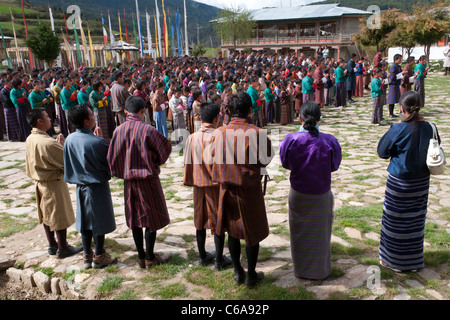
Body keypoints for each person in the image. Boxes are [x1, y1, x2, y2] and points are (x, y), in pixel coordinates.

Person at [211, 92, 274, 289]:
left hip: (226, 189)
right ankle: (251, 274)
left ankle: (238, 271)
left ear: (229, 111)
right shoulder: (257, 133)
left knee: (232, 231)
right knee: (251, 232)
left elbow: (213, 156)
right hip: (248, 190)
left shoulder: (219, 132)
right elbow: (266, 159)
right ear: (249, 110)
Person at [377, 91, 440, 273]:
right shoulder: (430, 127)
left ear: (402, 109)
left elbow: (382, 152)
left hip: (399, 182)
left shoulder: (398, 129)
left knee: (394, 221)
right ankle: (413, 261)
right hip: (421, 183)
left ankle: (392, 260)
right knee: (415, 221)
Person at [107, 95, 172, 269]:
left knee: (134, 218)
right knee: (151, 217)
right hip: (147, 180)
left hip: (129, 182)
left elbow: (111, 158)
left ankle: (141, 257)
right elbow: (165, 149)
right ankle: (150, 257)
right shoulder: (148, 130)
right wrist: (155, 162)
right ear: (143, 111)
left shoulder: (117, 131)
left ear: (126, 111)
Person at [279, 101, 341, 280]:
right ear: (319, 119)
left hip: (299, 192)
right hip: (320, 193)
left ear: (299, 118)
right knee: (320, 233)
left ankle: (301, 270)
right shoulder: (329, 141)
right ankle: (319, 270)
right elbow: (334, 165)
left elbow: (285, 162)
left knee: (299, 232)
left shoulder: (291, 140)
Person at [64, 104, 117, 269]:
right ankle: (99, 256)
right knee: (98, 221)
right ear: (87, 122)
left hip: (80, 187)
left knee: (85, 221)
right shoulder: (97, 142)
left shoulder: (70, 139)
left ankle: (87, 255)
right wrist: (101, 140)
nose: (94, 118)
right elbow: (110, 163)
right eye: (91, 116)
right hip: (96, 187)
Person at [25, 109, 81, 258]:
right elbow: (67, 161)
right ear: (39, 121)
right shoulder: (48, 143)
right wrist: (62, 145)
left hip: (40, 182)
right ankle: (63, 248)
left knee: (47, 214)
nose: (50, 119)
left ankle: (52, 244)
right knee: (58, 215)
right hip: (53, 183)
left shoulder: (30, 138)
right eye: (47, 117)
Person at [183, 101, 232, 270]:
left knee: (200, 220)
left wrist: (191, 179)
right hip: (214, 185)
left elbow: (187, 164)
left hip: (198, 185)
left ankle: (203, 255)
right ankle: (219, 260)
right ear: (216, 118)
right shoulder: (218, 136)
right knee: (218, 220)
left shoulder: (192, 137)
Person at [387, 54, 404, 118]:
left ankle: (392, 113)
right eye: (399, 59)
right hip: (393, 84)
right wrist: (401, 74)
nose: (400, 60)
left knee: (394, 99)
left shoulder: (398, 66)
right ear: (395, 59)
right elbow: (392, 77)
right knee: (391, 100)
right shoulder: (393, 66)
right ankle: (390, 114)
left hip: (396, 84)